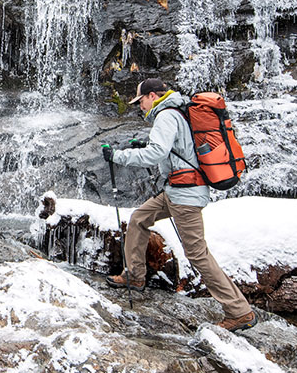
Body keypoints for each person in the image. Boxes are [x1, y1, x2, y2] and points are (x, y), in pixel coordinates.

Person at [102, 77, 259, 332]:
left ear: (152, 96)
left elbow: (157, 154)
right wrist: (145, 145)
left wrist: (119, 156)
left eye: (140, 100)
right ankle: (135, 276)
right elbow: (176, 149)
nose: (139, 105)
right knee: (139, 218)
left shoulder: (166, 115)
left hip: (184, 195)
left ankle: (239, 311)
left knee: (197, 254)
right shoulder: (179, 111)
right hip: (175, 191)